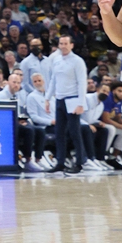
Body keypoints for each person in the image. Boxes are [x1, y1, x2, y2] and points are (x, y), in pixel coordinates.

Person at [45, 34, 89, 173]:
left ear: (71, 45)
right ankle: (60, 162)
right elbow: (53, 80)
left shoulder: (78, 61)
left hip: (73, 99)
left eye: (65, 43)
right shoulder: (56, 60)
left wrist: (81, 103)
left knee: (75, 132)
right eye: (61, 43)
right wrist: (47, 98)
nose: (63, 46)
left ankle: (80, 162)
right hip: (60, 100)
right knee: (59, 133)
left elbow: (82, 82)